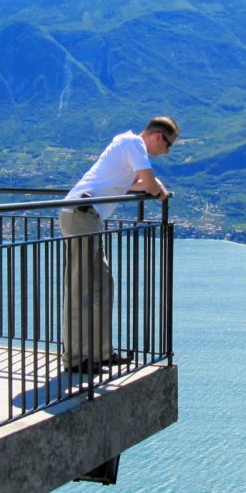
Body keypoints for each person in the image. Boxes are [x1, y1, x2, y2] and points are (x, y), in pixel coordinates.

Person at [59, 116, 178, 372]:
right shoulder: (133, 143)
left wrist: (154, 186)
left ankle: (100, 353)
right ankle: (76, 358)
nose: (166, 152)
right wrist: (159, 190)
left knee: (102, 285)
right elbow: (147, 182)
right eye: (168, 145)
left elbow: (138, 184)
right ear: (158, 136)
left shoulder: (126, 146)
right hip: (81, 214)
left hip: (88, 216)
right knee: (82, 289)